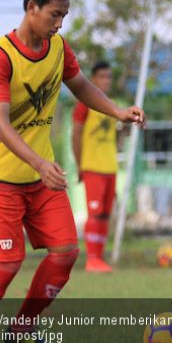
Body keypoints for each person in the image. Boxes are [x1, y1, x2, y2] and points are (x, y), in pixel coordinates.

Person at [0, 0, 145, 343]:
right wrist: (40, 163)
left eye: (65, 16)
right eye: (55, 15)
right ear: (32, 7)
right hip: (2, 176)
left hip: (42, 177)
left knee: (67, 253)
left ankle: (20, 329)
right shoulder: (0, 56)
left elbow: (83, 86)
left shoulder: (58, 48)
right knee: (7, 265)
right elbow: (2, 126)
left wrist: (118, 111)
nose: (59, 24)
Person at [72, 61, 117, 273]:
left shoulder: (111, 105)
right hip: (92, 168)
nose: (106, 81)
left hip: (111, 168)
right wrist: (80, 165)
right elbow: (76, 134)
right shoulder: (84, 104)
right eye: (102, 77)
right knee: (95, 214)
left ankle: (99, 257)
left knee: (105, 215)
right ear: (93, 79)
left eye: (109, 77)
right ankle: (91, 258)